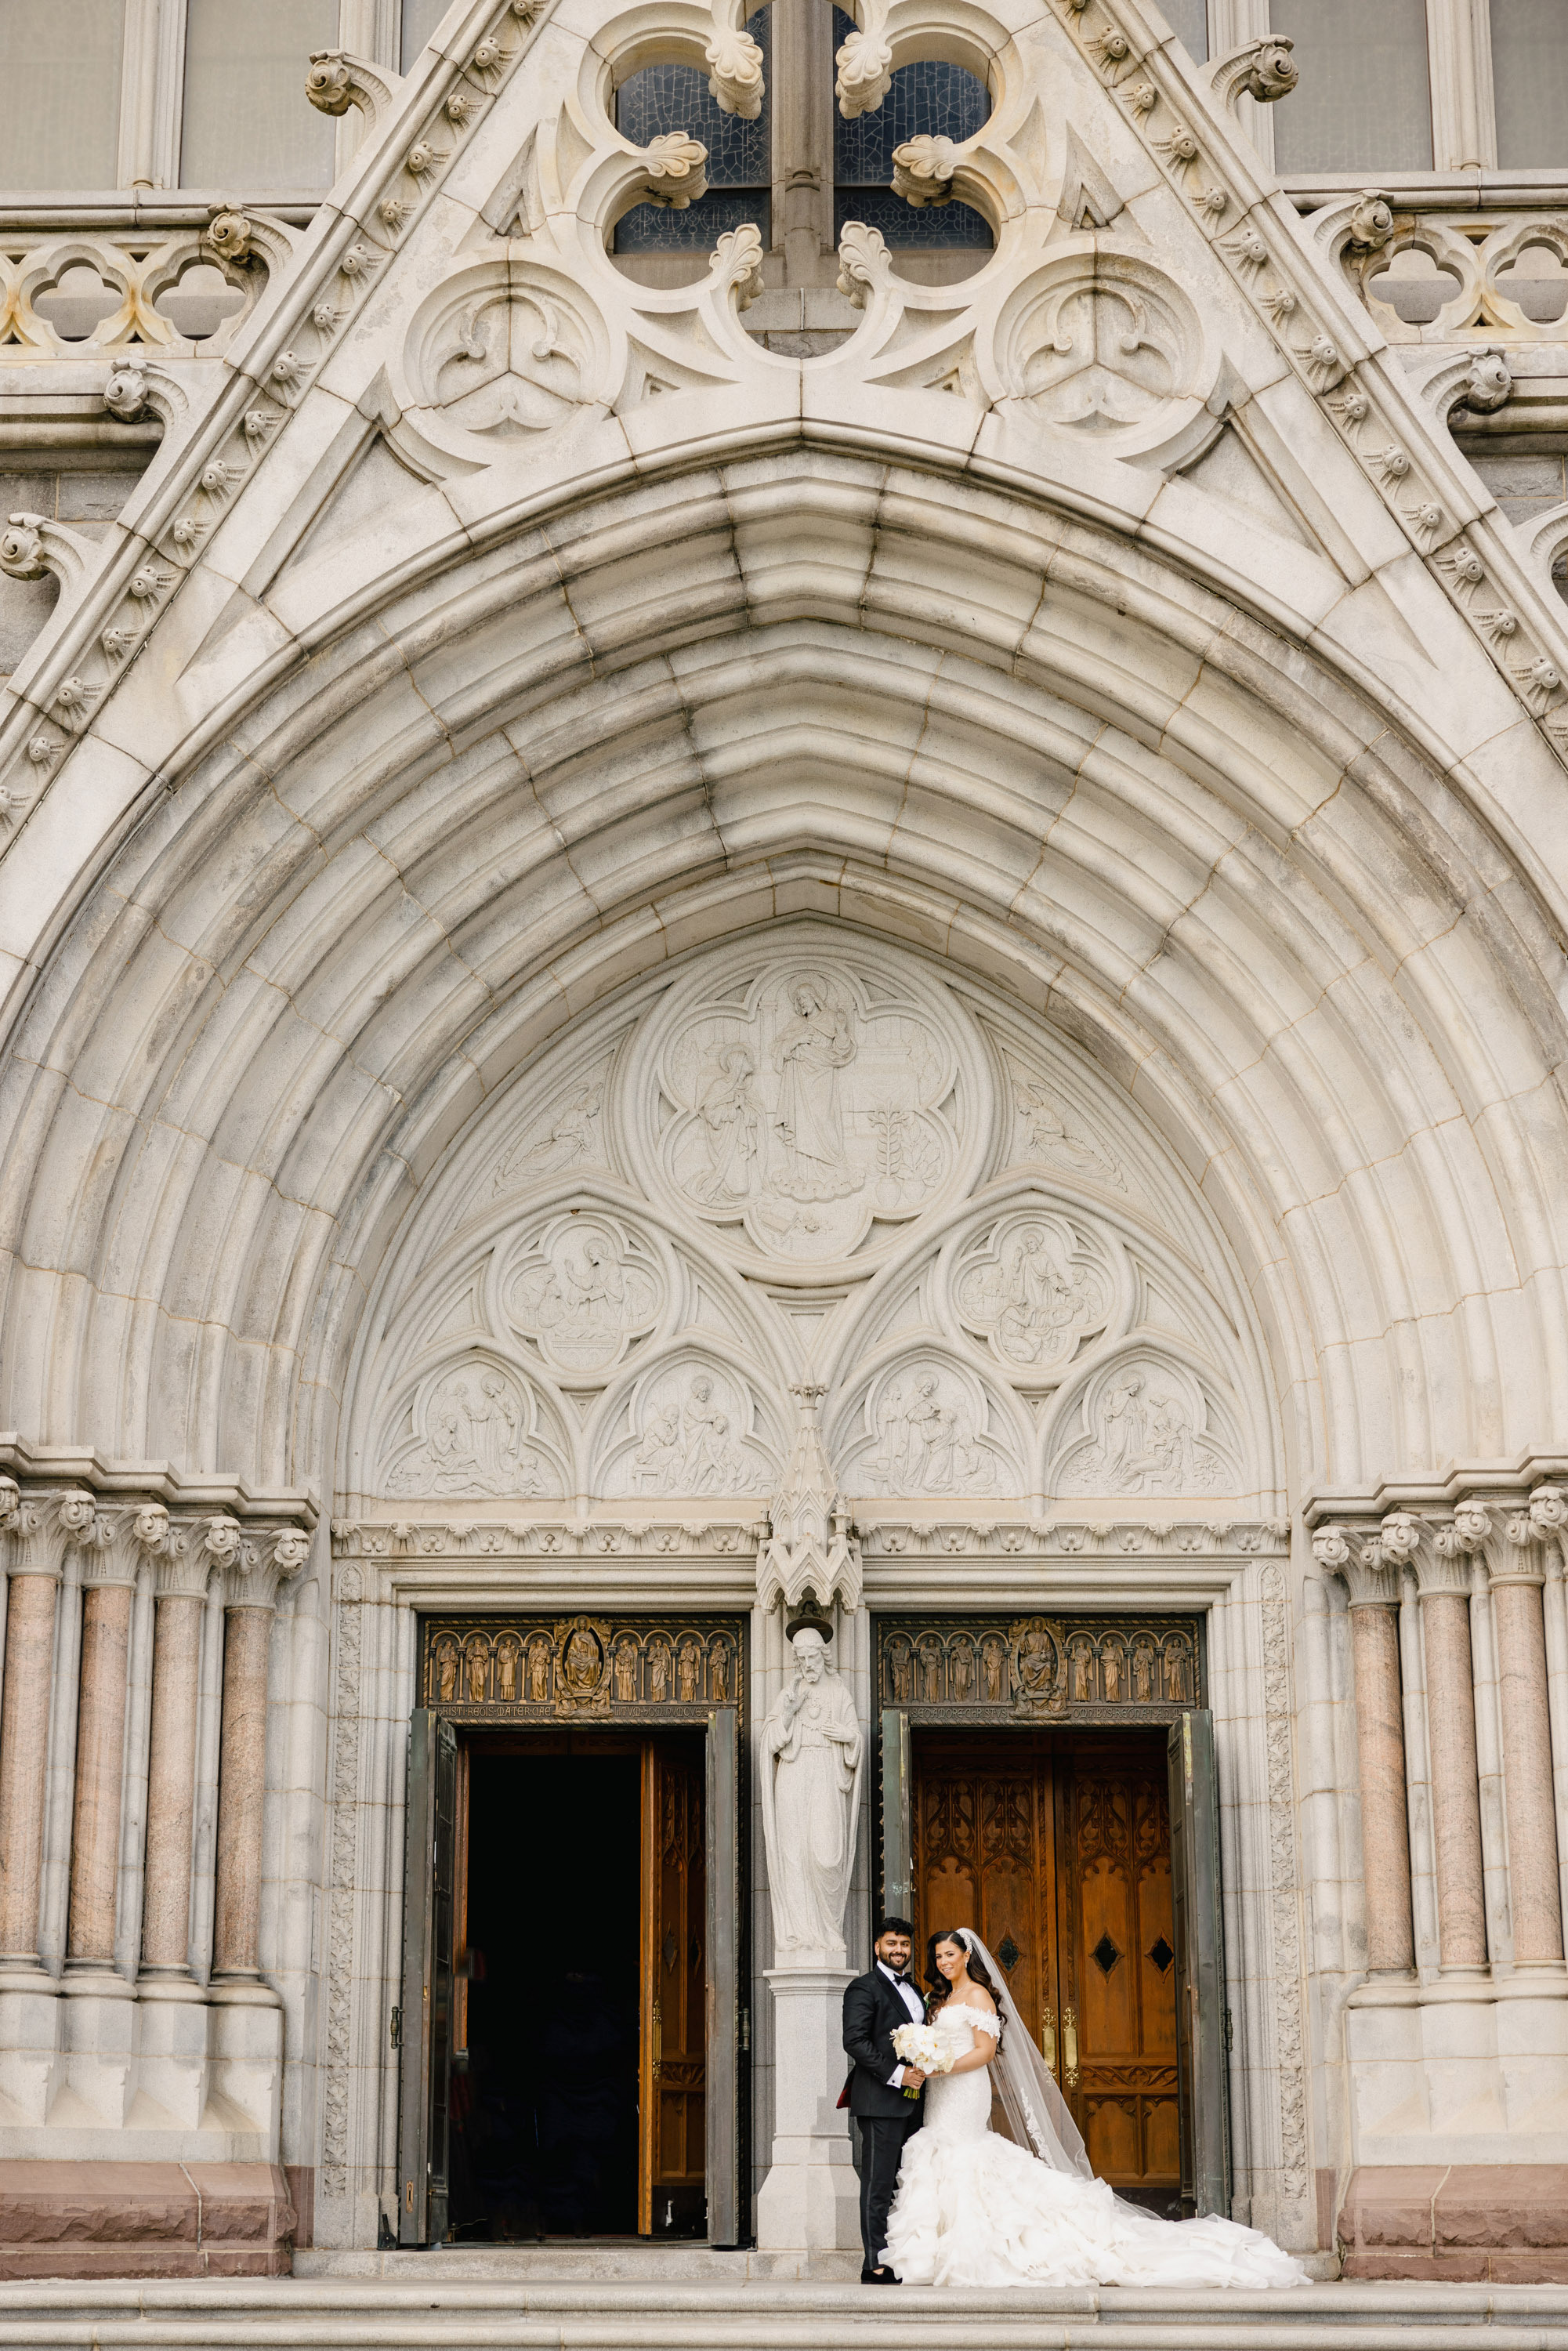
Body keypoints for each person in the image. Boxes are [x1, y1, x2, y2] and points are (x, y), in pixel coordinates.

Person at [879, 1925, 1309, 2291]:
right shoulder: (940, 2000)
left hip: (962, 2087)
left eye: (950, 1954)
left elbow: (987, 2051)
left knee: (966, 2155)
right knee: (941, 2152)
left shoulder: (977, 1996)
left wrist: (942, 2067)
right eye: (937, 1956)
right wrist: (927, 2061)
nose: (943, 1962)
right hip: (940, 2092)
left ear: (967, 1954)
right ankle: (935, 2246)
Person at [840, 1917, 926, 2284]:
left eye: (904, 1945)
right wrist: (898, 2075)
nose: (898, 1951)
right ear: (878, 1947)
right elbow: (855, 2041)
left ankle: (902, 2256)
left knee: (903, 2184)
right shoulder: (863, 1987)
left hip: (914, 2102)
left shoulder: (916, 1989)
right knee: (878, 2183)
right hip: (879, 2101)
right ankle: (873, 2264)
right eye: (891, 1943)